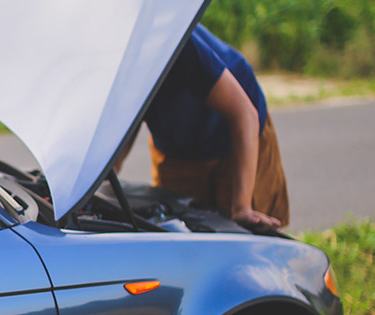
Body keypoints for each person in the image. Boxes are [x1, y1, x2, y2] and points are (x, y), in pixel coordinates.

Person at [124, 24, 289, 232]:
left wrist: (242, 206)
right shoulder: (108, 61)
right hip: (176, 145)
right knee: (178, 233)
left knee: (245, 232)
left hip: (238, 134)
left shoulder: (175, 40)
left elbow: (244, 115)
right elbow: (122, 127)